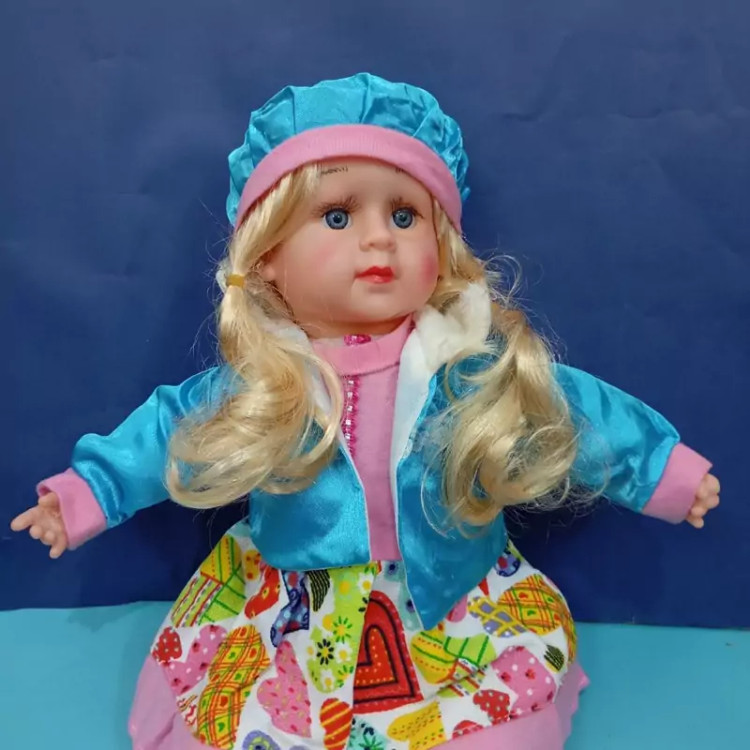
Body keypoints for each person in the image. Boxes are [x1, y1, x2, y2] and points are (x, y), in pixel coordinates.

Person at [11, 73, 720, 750]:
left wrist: (662, 471)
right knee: (245, 724)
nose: (379, 238)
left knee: (497, 727)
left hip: (449, 604)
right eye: (338, 215)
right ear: (268, 257)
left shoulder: (465, 365)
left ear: (439, 247)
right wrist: (86, 494)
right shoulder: (269, 381)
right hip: (294, 612)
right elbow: (168, 432)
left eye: (405, 216)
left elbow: (568, 412)